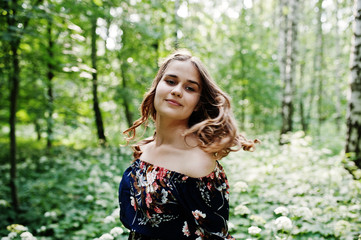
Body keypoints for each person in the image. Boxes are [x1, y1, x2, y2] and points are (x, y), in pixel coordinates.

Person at [118, 49, 258, 240]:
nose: (176, 91)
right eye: (170, 81)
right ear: (157, 86)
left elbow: (215, 236)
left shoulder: (197, 162)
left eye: (190, 88)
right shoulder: (146, 147)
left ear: (199, 103)